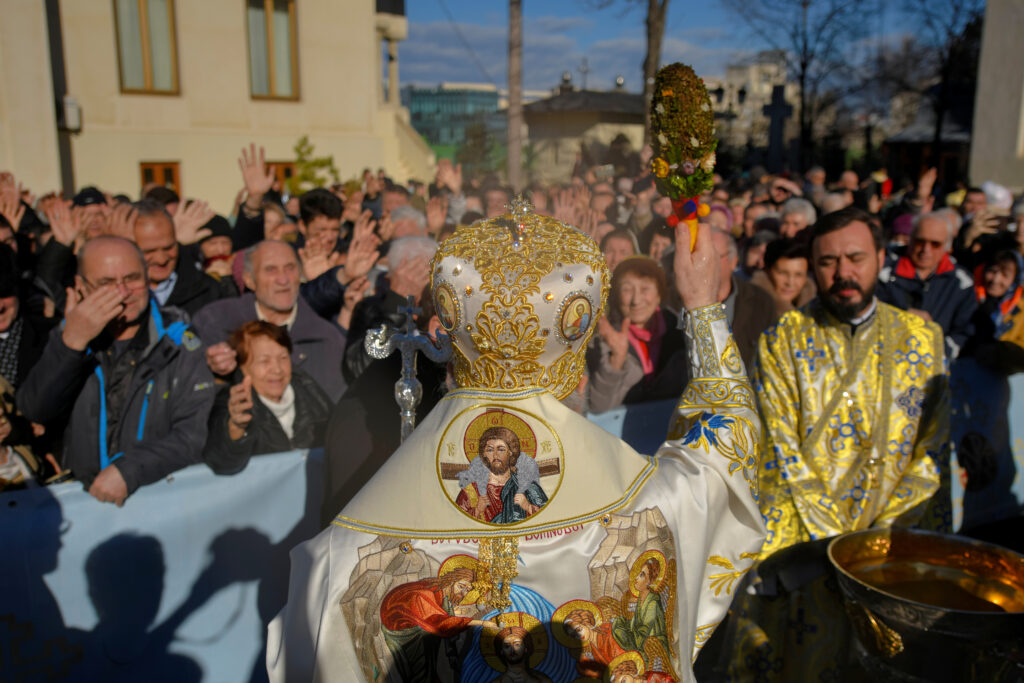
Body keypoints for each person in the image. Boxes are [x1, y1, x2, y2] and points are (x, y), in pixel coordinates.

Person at [266, 200, 765, 682]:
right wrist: (703, 307)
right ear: (573, 363)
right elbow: (727, 447)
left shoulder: (341, 556)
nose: (495, 456)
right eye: (491, 452)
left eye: (503, 451)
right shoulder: (647, 509)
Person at [702, 207, 950, 681]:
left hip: (890, 555)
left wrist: (881, 541)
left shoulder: (924, 340)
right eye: (829, 261)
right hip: (807, 555)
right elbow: (778, 451)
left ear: (881, 257)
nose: (843, 273)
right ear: (814, 267)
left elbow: (932, 453)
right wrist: (842, 549)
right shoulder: (782, 340)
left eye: (856, 258)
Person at [17, 236, 215, 505]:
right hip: (82, 502)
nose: (123, 292)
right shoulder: (67, 336)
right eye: (106, 283)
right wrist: (72, 344)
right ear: (81, 286)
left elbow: (195, 432)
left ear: (147, 277)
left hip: (157, 500)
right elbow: (35, 410)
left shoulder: (180, 340)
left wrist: (131, 469)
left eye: (132, 278)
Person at [192, 240, 349, 402]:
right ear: (249, 280)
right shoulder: (214, 322)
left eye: (290, 268)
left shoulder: (327, 339)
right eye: (270, 270)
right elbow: (191, 395)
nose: (283, 279)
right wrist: (213, 373)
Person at [204, 321, 332, 475]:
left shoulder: (311, 394)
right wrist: (236, 429)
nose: (277, 369)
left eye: (283, 357)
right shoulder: (230, 406)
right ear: (242, 367)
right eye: (264, 361)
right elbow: (222, 463)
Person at [586, 257, 687, 413]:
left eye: (645, 289)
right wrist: (616, 360)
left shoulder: (679, 336)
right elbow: (598, 408)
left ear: (659, 294)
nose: (636, 300)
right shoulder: (603, 341)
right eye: (627, 289)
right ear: (616, 296)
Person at [877, 211, 977, 358]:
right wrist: (901, 315)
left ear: (948, 247)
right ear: (910, 239)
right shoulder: (882, 269)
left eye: (935, 244)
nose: (926, 250)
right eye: (920, 241)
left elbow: (964, 332)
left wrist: (937, 351)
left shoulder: (962, 283)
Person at [132, 199, 233, 315]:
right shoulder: (119, 294)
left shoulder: (207, 289)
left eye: (169, 248)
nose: (161, 260)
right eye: (149, 251)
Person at [455, 426, 549, 523]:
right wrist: (477, 511)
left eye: (501, 449)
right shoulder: (471, 492)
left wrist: (528, 507)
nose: (495, 455)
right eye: (490, 450)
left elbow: (549, 516)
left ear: (511, 452)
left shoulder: (528, 487)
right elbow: (455, 522)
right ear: (484, 454)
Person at [749, 238, 815, 316]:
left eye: (798, 275)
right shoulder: (749, 311)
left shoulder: (817, 313)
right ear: (767, 271)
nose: (790, 283)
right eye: (783, 273)